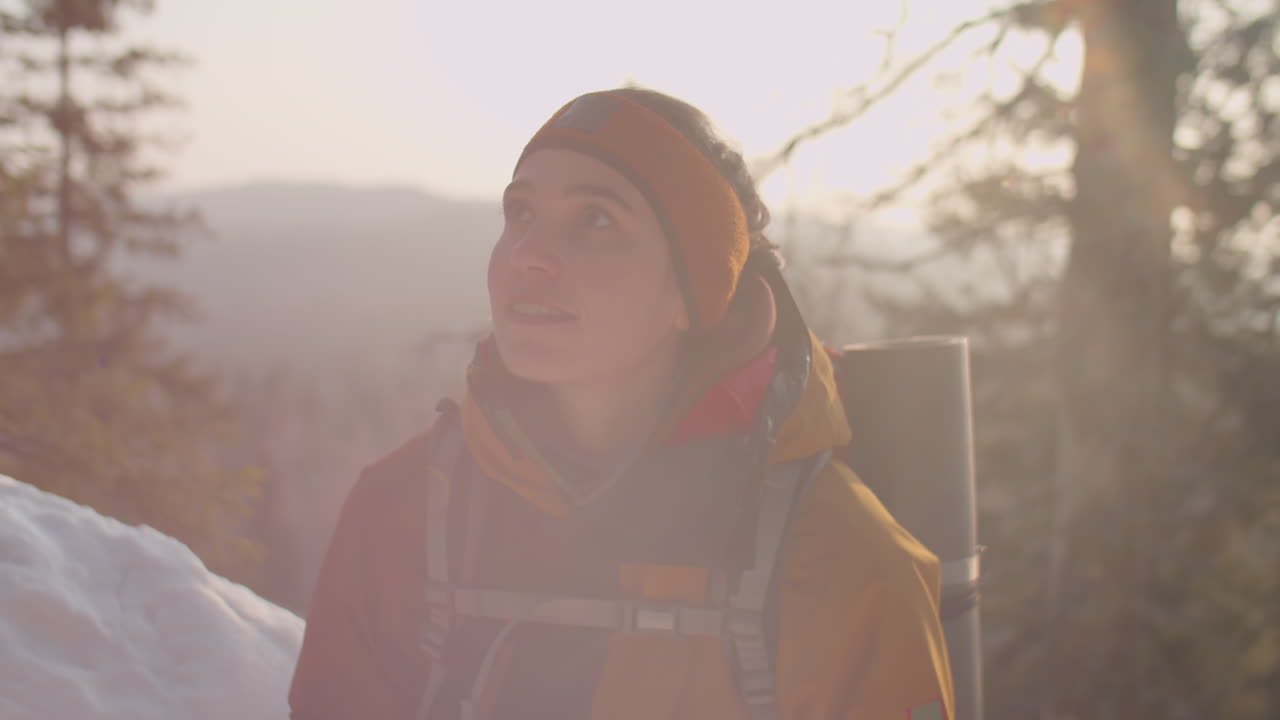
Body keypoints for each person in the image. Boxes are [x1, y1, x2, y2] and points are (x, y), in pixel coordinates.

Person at [288, 87, 956, 720]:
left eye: (596, 219)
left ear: (691, 291)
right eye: (520, 213)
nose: (529, 256)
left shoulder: (847, 568)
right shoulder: (406, 515)